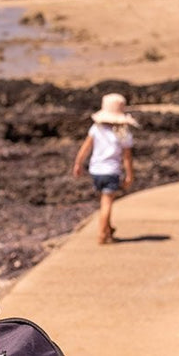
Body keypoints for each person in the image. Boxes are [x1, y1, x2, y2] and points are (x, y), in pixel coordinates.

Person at [72, 93, 138, 244]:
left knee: (103, 201)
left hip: (96, 171)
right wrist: (129, 175)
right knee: (107, 203)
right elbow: (127, 158)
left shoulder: (96, 129)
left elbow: (85, 148)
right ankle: (102, 233)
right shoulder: (123, 133)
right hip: (111, 171)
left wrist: (78, 164)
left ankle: (108, 229)